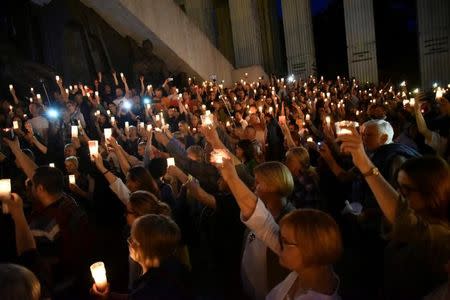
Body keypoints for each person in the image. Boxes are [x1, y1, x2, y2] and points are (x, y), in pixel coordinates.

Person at [214, 148, 343, 299]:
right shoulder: (301, 272)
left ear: (310, 249)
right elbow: (262, 222)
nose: (277, 242)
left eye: (285, 241)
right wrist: (231, 177)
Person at [339, 126, 450, 299]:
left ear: (431, 192)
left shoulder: (441, 237)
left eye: (406, 191)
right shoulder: (417, 218)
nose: (398, 194)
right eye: (397, 186)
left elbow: (404, 220)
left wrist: (365, 165)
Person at [91, 214, 192, 300]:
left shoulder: (150, 290)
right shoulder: (171, 263)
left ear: (147, 251)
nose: (129, 241)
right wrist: (110, 295)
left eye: (133, 239)